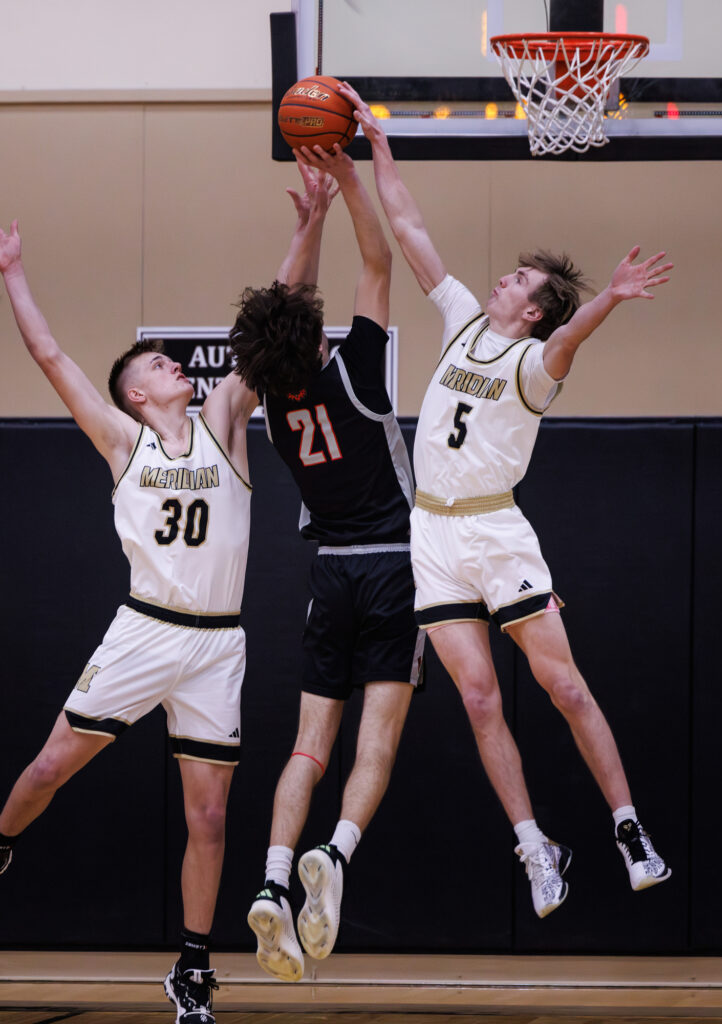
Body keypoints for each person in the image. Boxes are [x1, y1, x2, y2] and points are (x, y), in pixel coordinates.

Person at [332, 82, 673, 919]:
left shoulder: (532, 364)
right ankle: (534, 849)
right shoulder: (457, 321)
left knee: (563, 688)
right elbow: (409, 230)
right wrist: (374, 147)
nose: (501, 276)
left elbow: (566, 340)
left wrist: (606, 301)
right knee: (478, 699)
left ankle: (627, 826)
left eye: (517, 278)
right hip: (433, 538)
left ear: (530, 308)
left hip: (495, 531)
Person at [0, 219, 258, 1022]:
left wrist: (310, 225)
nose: (173, 363)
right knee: (47, 770)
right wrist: (11, 273)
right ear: (137, 395)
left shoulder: (223, 425)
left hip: (219, 642)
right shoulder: (122, 442)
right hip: (145, 628)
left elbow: (273, 324)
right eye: (155, 363)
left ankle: (190, 968)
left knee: (208, 815)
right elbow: (51, 358)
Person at [230, 154, 423, 980]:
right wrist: (345, 180)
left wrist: (302, 228)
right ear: (317, 338)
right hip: (394, 567)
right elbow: (378, 262)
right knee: (374, 742)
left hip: (330, 575)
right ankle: (334, 857)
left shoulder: (268, 403)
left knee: (309, 746)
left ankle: (273, 879)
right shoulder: (357, 370)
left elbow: (277, 317)